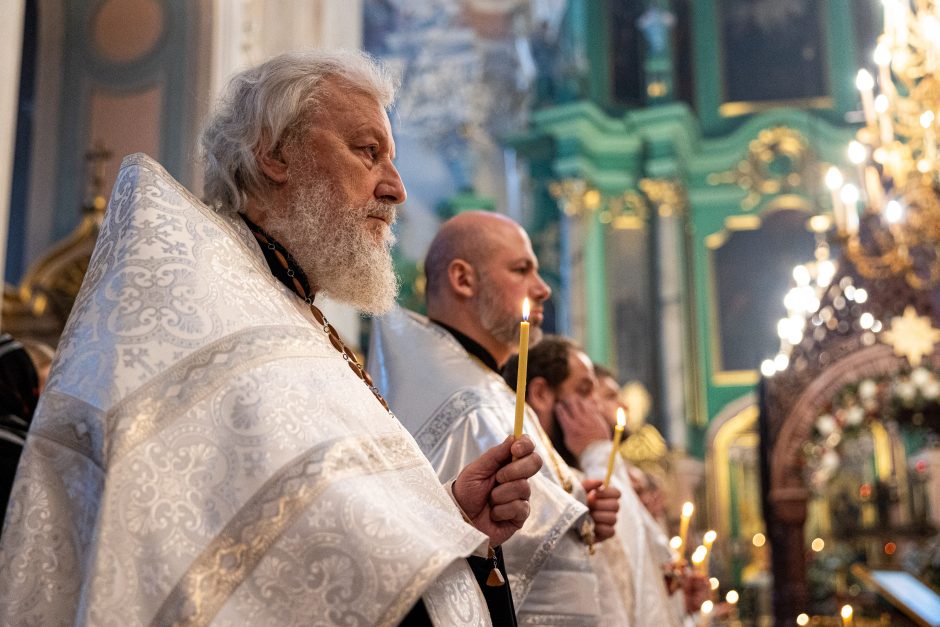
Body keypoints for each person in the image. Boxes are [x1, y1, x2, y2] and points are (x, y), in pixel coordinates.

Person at [0, 50, 544, 626]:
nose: (396, 189)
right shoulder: (204, 310)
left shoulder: (285, 307)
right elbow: (225, 564)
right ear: (274, 153)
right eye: (368, 152)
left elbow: (311, 528)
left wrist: (451, 518)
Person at [370, 211, 621, 624]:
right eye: (521, 269)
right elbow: (471, 544)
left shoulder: (484, 381)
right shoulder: (465, 401)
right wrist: (577, 513)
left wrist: (579, 499)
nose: (542, 289)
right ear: (463, 279)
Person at [506, 336, 710, 625]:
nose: (599, 407)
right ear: (540, 394)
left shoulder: (581, 473)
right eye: (586, 391)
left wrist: (675, 598)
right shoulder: (533, 477)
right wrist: (597, 451)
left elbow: (633, 576)